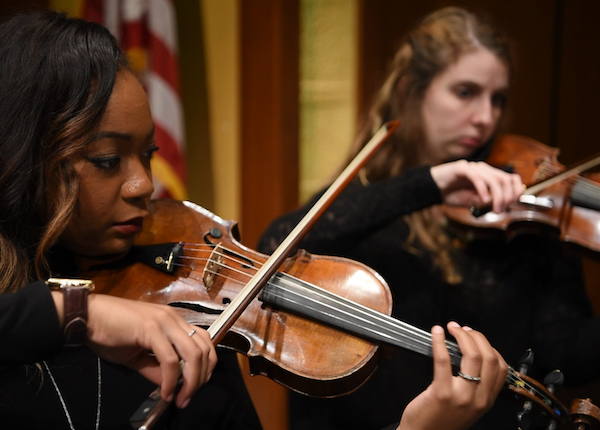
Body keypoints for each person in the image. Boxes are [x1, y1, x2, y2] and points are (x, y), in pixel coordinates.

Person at [0, 7, 511, 430]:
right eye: (108, 160)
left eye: (148, 155)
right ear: (25, 157)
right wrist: (77, 311)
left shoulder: (188, 325)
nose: (143, 186)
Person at [257, 6, 600, 430]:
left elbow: (563, 353)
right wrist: (429, 183)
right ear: (410, 91)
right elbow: (271, 250)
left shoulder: (522, 220)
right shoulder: (365, 210)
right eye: (465, 92)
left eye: (498, 99)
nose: (486, 117)